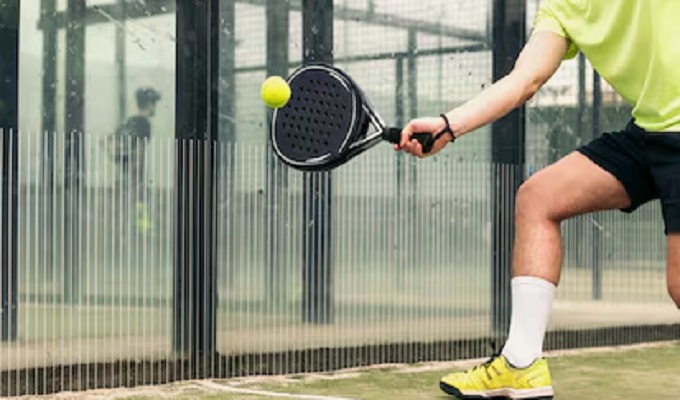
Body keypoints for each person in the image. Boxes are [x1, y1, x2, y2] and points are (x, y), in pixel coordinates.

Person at [397, 1, 680, 399]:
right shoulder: (562, 7)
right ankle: (521, 362)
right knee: (538, 198)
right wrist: (448, 125)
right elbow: (524, 79)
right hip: (650, 130)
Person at [111, 87, 161, 232]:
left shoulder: (129, 121)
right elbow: (140, 145)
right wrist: (137, 164)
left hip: (124, 166)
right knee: (139, 195)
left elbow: (110, 139)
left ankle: (128, 224)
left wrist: (118, 156)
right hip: (135, 165)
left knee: (127, 195)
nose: (155, 108)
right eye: (154, 104)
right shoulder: (144, 124)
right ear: (149, 104)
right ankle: (141, 222)